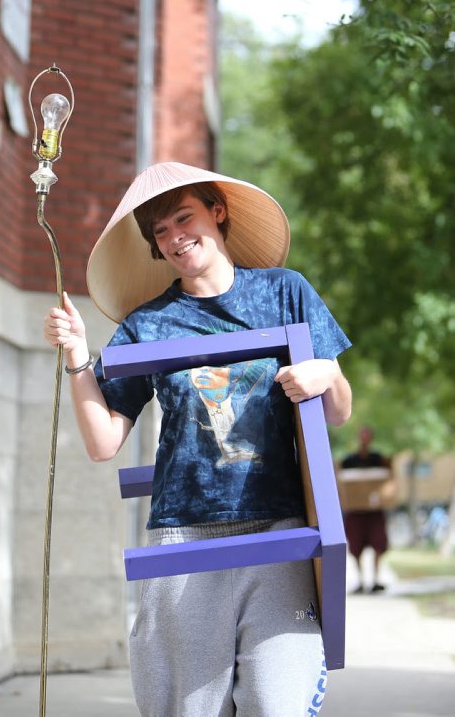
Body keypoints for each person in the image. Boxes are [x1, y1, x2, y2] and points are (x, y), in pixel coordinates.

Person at [43, 162, 352, 717]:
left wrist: (325, 375)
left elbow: (340, 410)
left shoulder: (285, 292)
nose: (174, 237)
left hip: (278, 531)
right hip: (183, 540)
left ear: (218, 211)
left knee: (279, 704)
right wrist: (77, 359)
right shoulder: (149, 325)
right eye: (159, 231)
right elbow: (103, 442)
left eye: (183, 218)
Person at [340, 426, 392, 594]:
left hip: (374, 511)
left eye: (367, 436)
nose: (364, 439)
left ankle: (376, 579)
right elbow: (341, 479)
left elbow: (389, 473)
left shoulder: (378, 459)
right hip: (355, 512)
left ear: (371, 438)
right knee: (355, 547)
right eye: (362, 436)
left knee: (378, 543)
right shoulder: (349, 460)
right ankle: (361, 580)